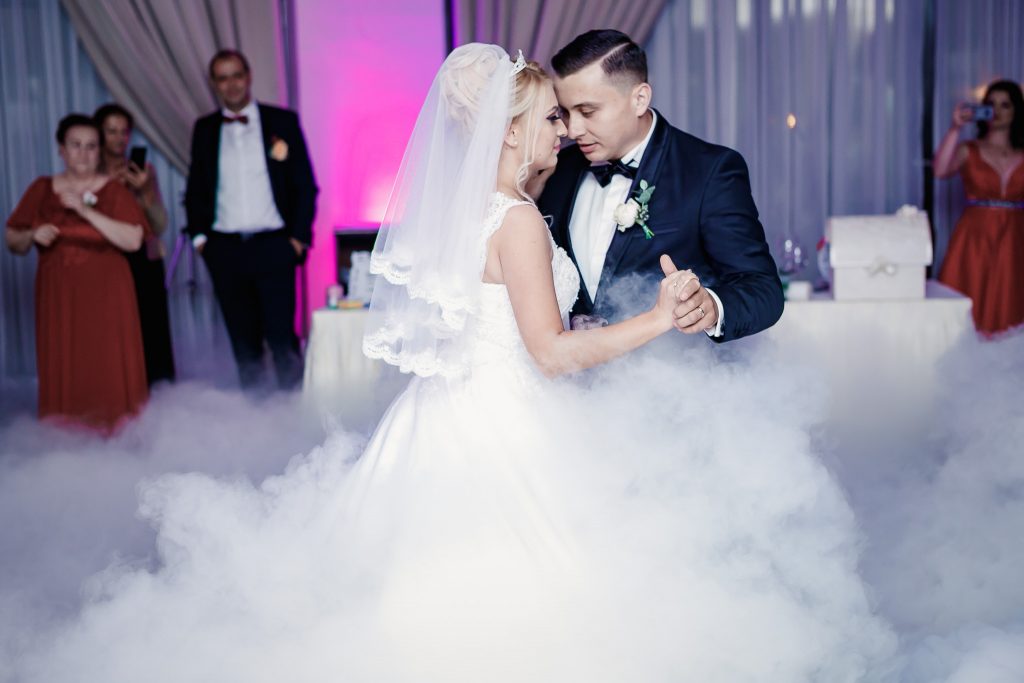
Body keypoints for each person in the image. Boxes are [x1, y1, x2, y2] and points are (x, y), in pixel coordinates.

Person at [15, 47, 894, 682]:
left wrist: (685, 316)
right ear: (511, 130)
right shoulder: (518, 218)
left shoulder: (486, 205)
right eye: (551, 117)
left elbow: (543, 316)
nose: (565, 131)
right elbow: (549, 350)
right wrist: (657, 317)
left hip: (457, 410)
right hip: (517, 416)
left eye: (573, 115)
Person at [536, 29, 783, 341]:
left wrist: (711, 307)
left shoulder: (710, 170)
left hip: (673, 369)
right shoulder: (557, 168)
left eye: (587, 112)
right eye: (565, 112)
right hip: (576, 368)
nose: (572, 129)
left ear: (639, 99)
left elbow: (763, 289)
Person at [4, 114, 149, 433]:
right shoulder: (41, 188)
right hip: (60, 294)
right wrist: (31, 235)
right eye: (76, 145)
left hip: (108, 294)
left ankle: (116, 434)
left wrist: (85, 211)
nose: (83, 153)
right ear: (61, 150)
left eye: (91, 146)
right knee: (66, 360)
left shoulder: (114, 190)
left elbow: (133, 240)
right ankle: (66, 439)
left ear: (99, 152)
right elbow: (13, 239)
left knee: (108, 362)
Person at [184, 49, 318, 390]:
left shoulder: (282, 121)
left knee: (282, 340)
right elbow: (196, 188)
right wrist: (201, 241)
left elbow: (304, 185)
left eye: (236, 75)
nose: (231, 84)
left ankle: (292, 412)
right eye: (222, 78)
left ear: (249, 76)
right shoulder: (205, 129)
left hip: (275, 246)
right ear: (214, 83)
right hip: (224, 249)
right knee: (244, 345)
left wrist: (298, 240)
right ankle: (254, 415)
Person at [94, 103, 177, 384]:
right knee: (109, 325)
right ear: (99, 134)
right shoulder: (88, 173)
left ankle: (158, 388)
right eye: (112, 131)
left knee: (151, 326)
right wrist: (110, 189)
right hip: (105, 258)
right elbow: (86, 218)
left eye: (124, 132)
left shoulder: (144, 171)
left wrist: (144, 193)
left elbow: (160, 225)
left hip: (144, 256)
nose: (119, 138)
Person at [934, 79, 1024, 335]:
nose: (997, 111)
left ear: (1016, 111)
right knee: (968, 302)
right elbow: (940, 170)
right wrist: (955, 128)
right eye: (991, 104)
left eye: (1005, 105)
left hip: (1016, 237)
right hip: (975, 237)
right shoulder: (969, 149)